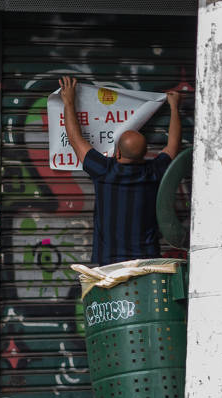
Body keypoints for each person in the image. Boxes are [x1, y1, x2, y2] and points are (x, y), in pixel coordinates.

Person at [58, 76, 182, 266]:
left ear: (116, 153)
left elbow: (76, 139)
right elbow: (173, 146)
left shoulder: (104, 171)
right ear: (146, 154)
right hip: (147, 262)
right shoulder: (154, 172)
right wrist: (174, 107)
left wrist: (68, 101)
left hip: (109, 263)